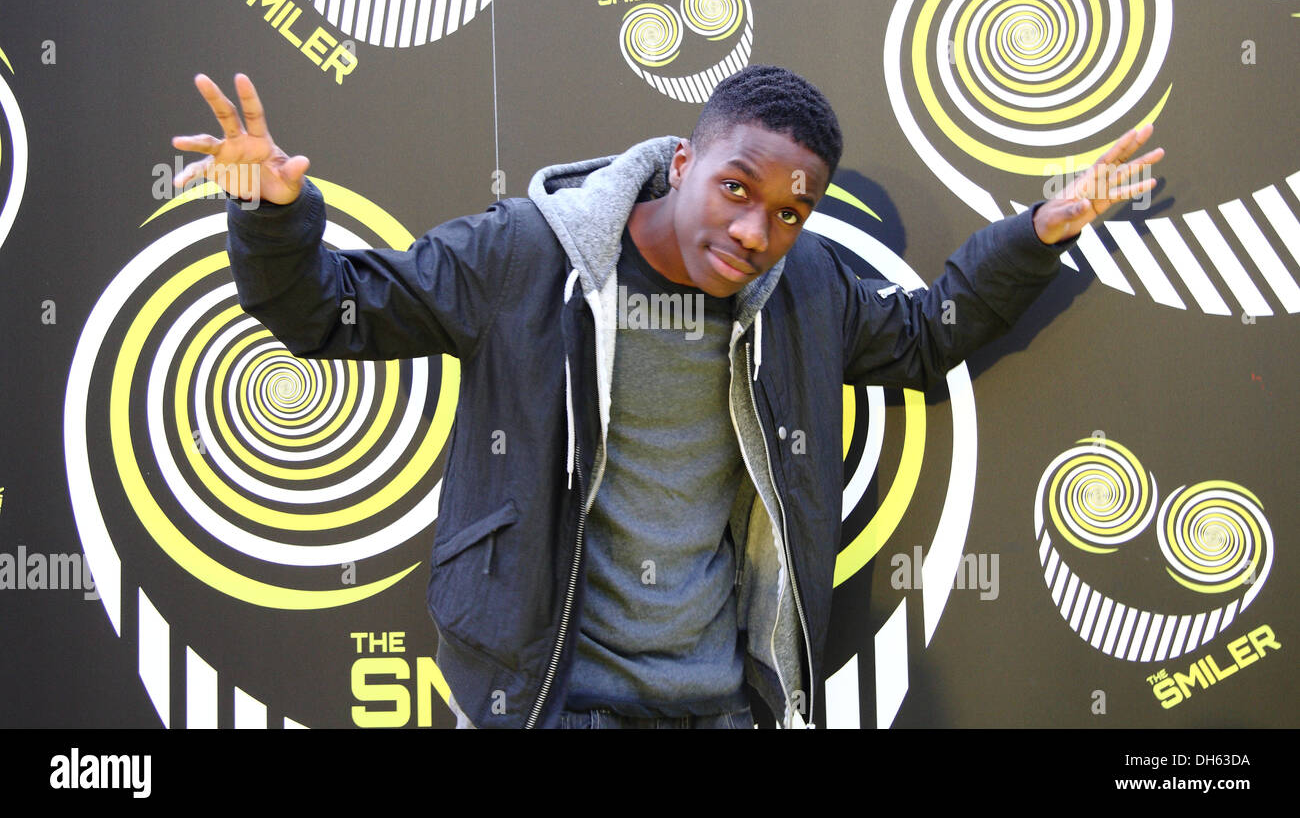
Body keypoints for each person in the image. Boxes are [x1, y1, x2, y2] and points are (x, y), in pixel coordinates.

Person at [172, 66, 1163, 728]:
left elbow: (922, 336)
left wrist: (1041, 229)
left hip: (725, 696)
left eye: (788, 211)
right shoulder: (526, 255)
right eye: (736, 188)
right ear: (683, 163)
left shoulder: (802, 287)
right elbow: (330, 315)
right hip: (558, 695)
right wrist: (271, 214)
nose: (755, 231)